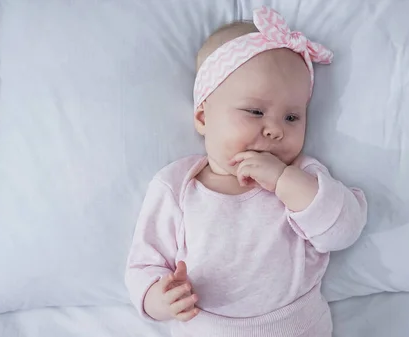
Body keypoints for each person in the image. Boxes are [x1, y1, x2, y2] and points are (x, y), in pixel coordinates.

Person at [125, 6, 367, 337]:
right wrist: (159, 298)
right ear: (203, 118)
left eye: (292, 117)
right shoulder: (177, 187)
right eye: (255, 111)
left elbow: (343, 230)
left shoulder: (302, 177)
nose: (275, 130)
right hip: (207, 327)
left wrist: (285, 182)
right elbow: (143, 264)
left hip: (296, 325)